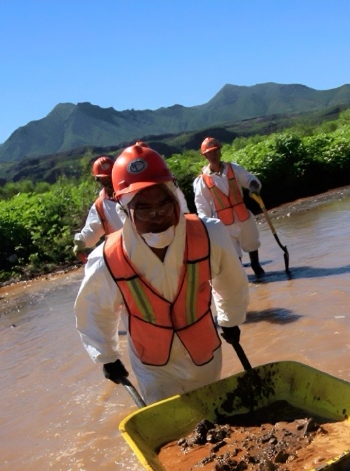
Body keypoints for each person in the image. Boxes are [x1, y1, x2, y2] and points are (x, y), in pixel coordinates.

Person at [76, 142, 249, 404]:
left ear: (173, 197)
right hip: (154, 367)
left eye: (163, 206)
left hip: (205, 354)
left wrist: (230, 319)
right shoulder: (106, 259)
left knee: (215, 415)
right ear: (125, 210)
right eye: (144, 210)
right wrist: (107, 357)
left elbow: (231, 282)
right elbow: (94, 311)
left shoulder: (209, 234)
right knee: (173, 431)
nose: (157, 217)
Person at [192, 137, 266, 279]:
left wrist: (253, 188)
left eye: (215, 151)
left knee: (252, 244)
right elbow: (201, 206)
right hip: (223, 224)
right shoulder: (202, 180)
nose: (213, 155)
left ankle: (257, 270)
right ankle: (242, 281)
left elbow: (250, 179)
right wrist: (206, 226)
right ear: (205, 156)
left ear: (220, 152)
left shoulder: (233, 168)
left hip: (243, 217)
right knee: (234, 257)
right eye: (209, 153)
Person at [72, 156, 124, 262]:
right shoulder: (100, 206)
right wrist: (80, 242)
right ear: (98, 180)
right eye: (104, 180)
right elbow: (92, 230)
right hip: (124, 256)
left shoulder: (131, 193)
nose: (109, 182)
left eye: (111, 177)